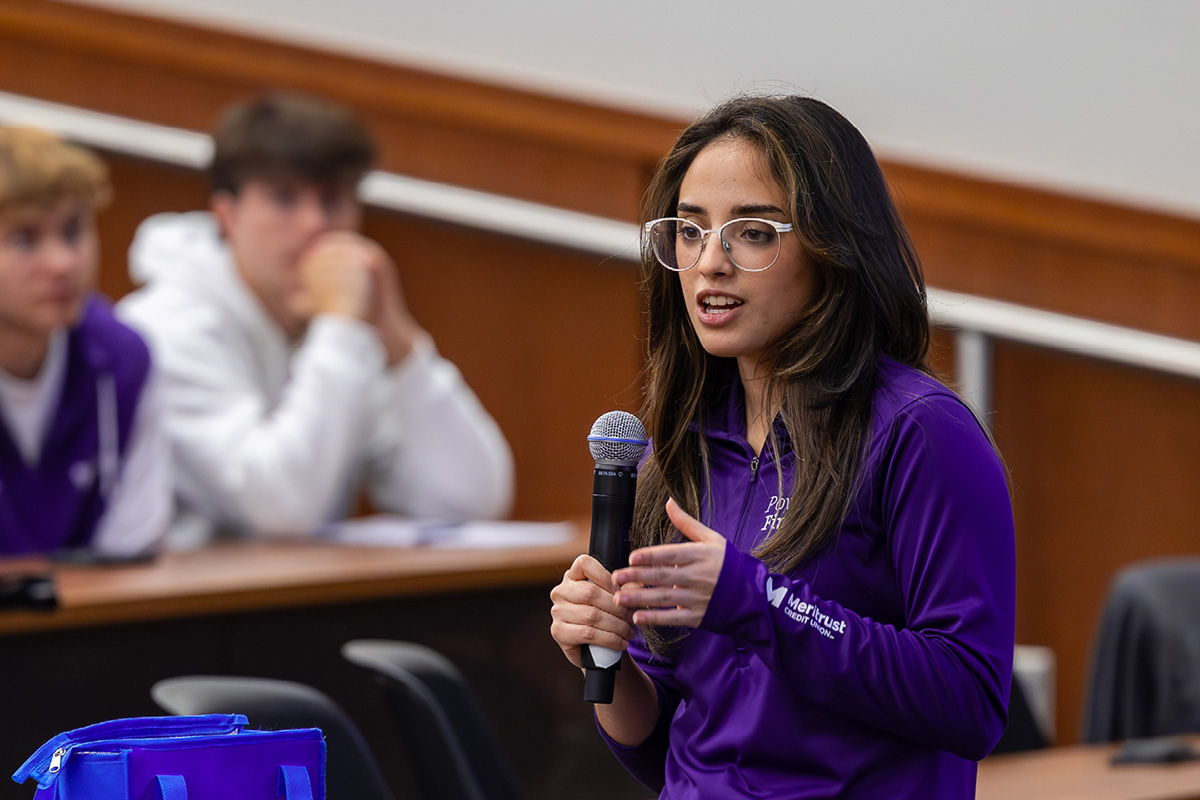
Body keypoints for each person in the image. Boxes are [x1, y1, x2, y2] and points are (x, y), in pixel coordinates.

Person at [549, 95, 1016, 799]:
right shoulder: (678, 451)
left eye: (753, 233)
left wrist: (755, 601)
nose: (710, 263)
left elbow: (971, 701)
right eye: (690, 230)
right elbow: (677, 747)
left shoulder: (920, 431)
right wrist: (608, 659)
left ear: (834, 248)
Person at [117, 92, 513, 546]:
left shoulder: (343, 330)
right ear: (227, 215)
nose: (314, 224)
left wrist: (398, 339)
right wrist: (341, 326)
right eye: (284, 199)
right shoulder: (163, 327)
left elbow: (472, 500)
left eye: (333, 200)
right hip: (181, 606)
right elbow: (280, 508)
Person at [0, 127, 170, 555]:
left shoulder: (122, 358)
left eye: (73, 231)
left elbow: (133, 552)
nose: (63, 263)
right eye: (25, 239)